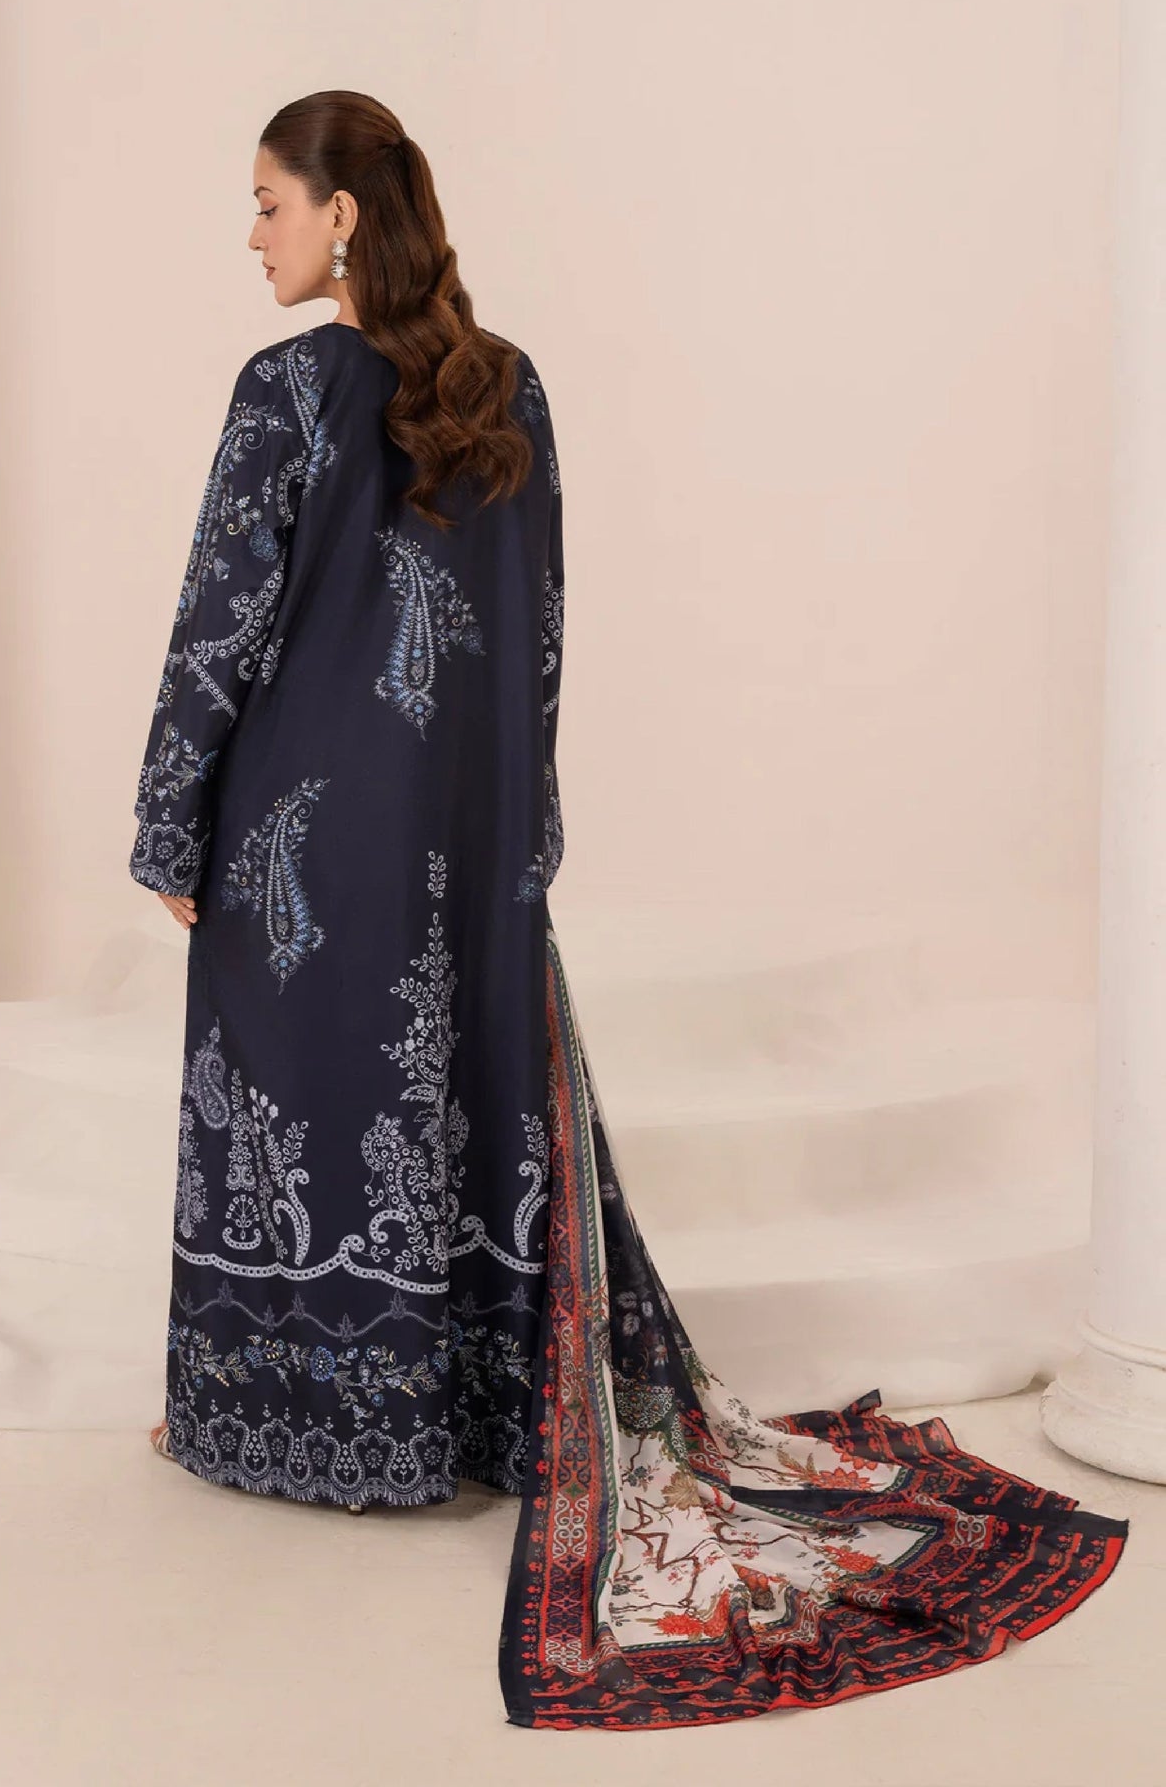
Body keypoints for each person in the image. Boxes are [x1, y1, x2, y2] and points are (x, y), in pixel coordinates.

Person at [130, 89, 1130, 1732]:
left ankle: (282, 1425)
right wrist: (519, 837)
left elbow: (217, 625)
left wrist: (169, 817)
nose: (252, 235)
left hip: (296, 842)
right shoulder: (502, 386)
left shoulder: (284, 389)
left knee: (288, 1109)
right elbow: (535, 637)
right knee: (444, 1102)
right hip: (457, 836)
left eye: (266, 202)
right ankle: (462, 1419)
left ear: (341, 216)